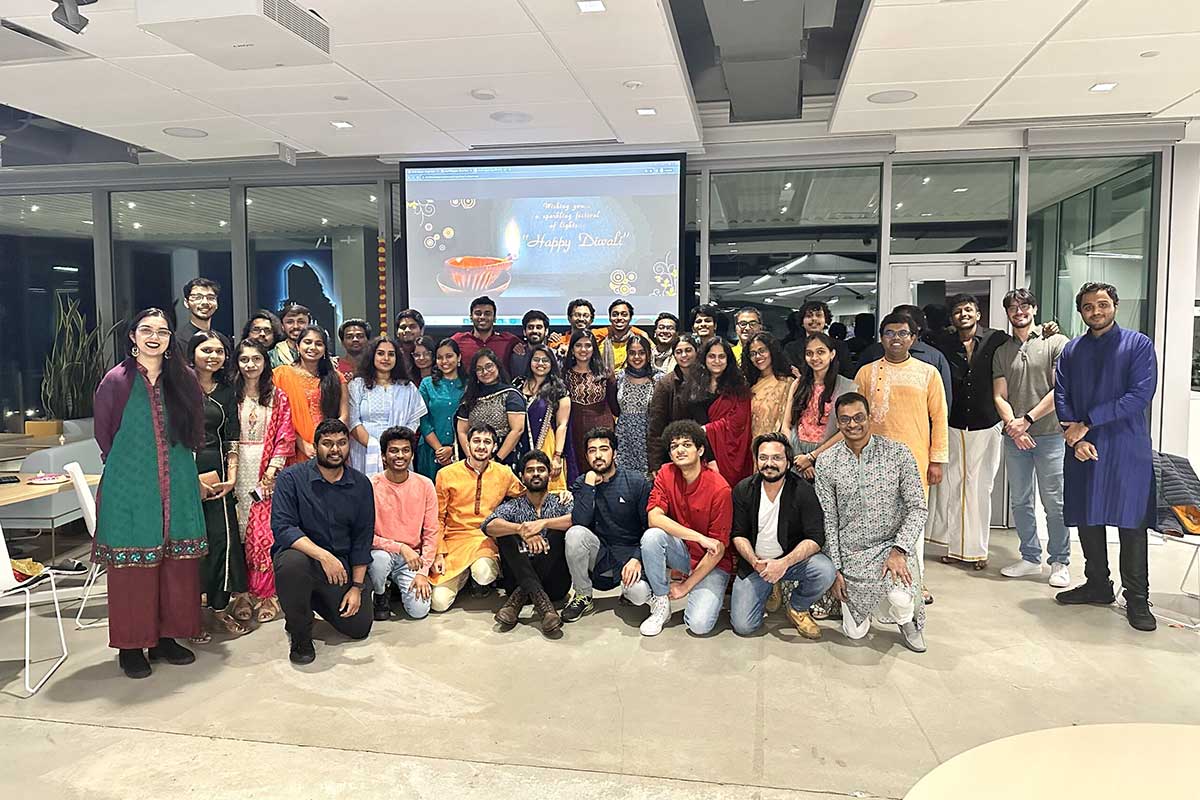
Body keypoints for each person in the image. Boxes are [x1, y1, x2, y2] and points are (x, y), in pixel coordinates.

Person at [93, 308, 207, 679]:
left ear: (171, 338)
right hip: (131, 484)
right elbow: (105, 435)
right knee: (132, 568)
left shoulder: (184, 380)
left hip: (177, 481)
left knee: (176, 564)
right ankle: (130, 646)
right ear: (133, 336)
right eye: (146, 330)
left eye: (162, 331)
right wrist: (133, 470)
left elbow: (194, 429)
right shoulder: (117, 381)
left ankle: (165, 638)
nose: (154, 336)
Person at [1054, 282, 1157, 632]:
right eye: (1087, 306)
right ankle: (1098, 584)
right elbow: (1062, 392)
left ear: (1115, 305)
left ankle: (1138, 598)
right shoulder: (1072, 350)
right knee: (1088, 516)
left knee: (1131, 522)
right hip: (1081, 445)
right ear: (1080, 312)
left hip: (1125, 446)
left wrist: (1088, 423)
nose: (1095, 311)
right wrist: (1073, 434)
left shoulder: (1138, 345)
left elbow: (1139, 395)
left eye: (1102, 304)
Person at [816, 393, 929, 653]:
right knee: (855, 634)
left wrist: (899, 550)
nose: (853, 425)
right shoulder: (827, 462)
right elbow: (829, 520)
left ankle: (906, 620)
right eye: (845, 420)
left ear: (870, 418)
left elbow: (917, 507)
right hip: (852, 552)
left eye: (859, 418)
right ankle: (862, 609)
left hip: (891, 547)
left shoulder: (897, 453)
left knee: (900, 598)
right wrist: (835, 569)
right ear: (838, 422)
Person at [855, 312, 948, 604]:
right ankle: (876, 579)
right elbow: (855, 419)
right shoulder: (866, 373)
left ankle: (916, 582)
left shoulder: (927, 373)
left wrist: (937, 460)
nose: (896, 339)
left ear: (913, 338)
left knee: (913, 522)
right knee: (873, 521)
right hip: (872, 460)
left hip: (915, 460)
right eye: (889, 333)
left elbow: (939, 417)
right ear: (881, 337)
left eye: (902, 333)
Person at [271, 419, 375, 664]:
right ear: (315, 446)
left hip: (341, 568)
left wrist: (357, 587)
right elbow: (283, 527)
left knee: (359, 628)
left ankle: (307, 601)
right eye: (327, 444)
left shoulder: (361, 485)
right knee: (291, 563)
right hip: (305, 562)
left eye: (341, 443)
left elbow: (363, 538)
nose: (335, 449)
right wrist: (323, 556)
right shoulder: (291, 479)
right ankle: (300, 632)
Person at [993, 289, 1071, 587]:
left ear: (1034, 309)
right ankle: (1029, 557)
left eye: (1024, 306)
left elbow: (1059, 390)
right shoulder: (1002, 350)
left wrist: (1027, 420)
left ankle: (1059, 561)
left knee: (1055, 502)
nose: (1019, 311)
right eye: (1012, 307)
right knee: (1021, 501)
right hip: (1016, 437)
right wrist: (1013, 425)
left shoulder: (1055, 342)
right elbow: (999, 394)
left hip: (1050, 435)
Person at [928, 294, 1009, 569]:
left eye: (968, 309)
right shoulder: (943, 343)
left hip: (986, 422)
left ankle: (977, 551)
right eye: (958, 311)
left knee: (980, 487)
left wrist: (1046, 330)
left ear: (978, 314)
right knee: (952, 487)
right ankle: (954, 548)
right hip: (953, 422)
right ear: (952, 318)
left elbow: (1024, 342)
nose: (963, 314)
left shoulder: (996, 339)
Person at [730, 433, 835, 638]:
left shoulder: (803, 491)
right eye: (763, 458)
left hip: (790, 561)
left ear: (788, 462)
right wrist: (754, 561)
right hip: (756, 565)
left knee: (825, 570)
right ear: (756, 460)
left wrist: (783, 563)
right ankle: (770, 585)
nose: (769, 463)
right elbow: (738, 534)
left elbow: (815, 538)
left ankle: (797, 607)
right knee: (744, 627)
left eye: (776, 458)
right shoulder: (743, 490)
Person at [638, 420, 733, 636]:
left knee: (699, 626)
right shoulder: (665, 473)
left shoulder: (720, 489)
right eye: (674, 446)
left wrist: (685, 586)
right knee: (652, 536)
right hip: (684, 552)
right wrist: (699, 537)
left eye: (686, 444)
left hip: (712, 562)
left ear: (700, 450)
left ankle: (699, 589)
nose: (679, 449)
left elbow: (717, 549)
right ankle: (661, 603)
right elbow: (654, 518)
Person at [187, 331, 249, 638]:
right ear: (192, 352)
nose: (213, 356)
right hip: (185, 470)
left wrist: (233, 476)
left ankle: (219, 610)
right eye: (206, 349)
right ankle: (189, 615)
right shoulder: (180, 388)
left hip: (220, 473)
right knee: (190, 542)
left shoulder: (226, 391)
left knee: (222, 540)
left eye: (220, 351)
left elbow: (231, 436)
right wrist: (188, 476)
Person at [232, 338, 295, 625]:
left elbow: (285, 435)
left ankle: (268, 594)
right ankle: (240, 593)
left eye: (256, 359)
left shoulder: (277, 396)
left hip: (267, 469)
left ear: (264, 362)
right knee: (238, 531)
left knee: (265, 533)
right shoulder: (229, 394)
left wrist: (272, 471)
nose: (250, 365)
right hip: (234, 467)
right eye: (244, 359)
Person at [562, 427, 654, 621]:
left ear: (614, 453)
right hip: (602, 555)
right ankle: (583, 595)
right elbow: (580, 521)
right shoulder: (582, 483)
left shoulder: (636, 482)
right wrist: (588, 485)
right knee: (575, 533)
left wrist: (637, 558)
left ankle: (628, 591)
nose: (598, 455)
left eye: (603, 449)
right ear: (586, 456)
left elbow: (650, 528)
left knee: (638, 595)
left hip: (630, 556)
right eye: (592, 450)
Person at [430, 423, 524, 610]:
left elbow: (527, 494)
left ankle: (476, 576)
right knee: (438, 603)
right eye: (477, 441)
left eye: (487, 442)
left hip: (484, 539)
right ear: (468, 444)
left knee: (483, 573)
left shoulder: (503, 473)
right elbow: (437, 517)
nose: (481, 446)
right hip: (454, 541)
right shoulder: (446, 474)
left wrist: (558, 493)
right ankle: (463, 576)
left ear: (494, 447)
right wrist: (438, 553)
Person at [483, 451, 574, 635]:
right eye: (530, 470)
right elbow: (488, 525)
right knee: (506, 533)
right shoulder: (514, 506)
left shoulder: (561, 502)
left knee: (560, 530)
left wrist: (545, 523)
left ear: (549, 474)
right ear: (522, 476)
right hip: (516, 579)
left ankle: (518, 599)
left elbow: (578, 520)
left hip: (556, 585)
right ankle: (545, 608)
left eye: (541, 469)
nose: (535, 474)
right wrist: (520, 530)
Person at [368, 426, 438, 622]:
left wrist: (423, 572)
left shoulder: (425, 485)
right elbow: (365, 536)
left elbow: (431, 532)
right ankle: (381, 593)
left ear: (412, 454)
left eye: (405, 450)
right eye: (393, 450)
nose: (400, 455)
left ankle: (398, 585)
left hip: (413, 559)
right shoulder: (370, 486)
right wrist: (400, 547)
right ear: (383, 456)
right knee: (379, 562)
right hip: (382, 552)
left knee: (419, 611)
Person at [347, 335, 426, 476]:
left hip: (399, 453)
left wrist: (396, 446)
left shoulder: (407, 387)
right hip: (364, 450)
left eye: (391, 354)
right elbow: (353, 420)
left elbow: (414, 421)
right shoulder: (357, 385)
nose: (386, 358)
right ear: (372, 356)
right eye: (380, 353)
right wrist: (376, 447)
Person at [783, 332, 856, 479]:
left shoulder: (847, 387)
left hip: (830, 454)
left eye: (820, 352)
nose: (815, 358)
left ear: (832, 354)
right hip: (797, 454)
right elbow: (786, 424)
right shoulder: (798, 384)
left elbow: (847, 430)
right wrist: (798, 457)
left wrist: (811, 457)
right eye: (809, 353)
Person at [274, 324, 349, 464]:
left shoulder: (336, 378)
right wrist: (302, 444)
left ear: (325, 349)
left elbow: (344, 417)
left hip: (329, 450)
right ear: (297, 346)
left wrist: (327, 444)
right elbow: (279, 419)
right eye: (307, 342)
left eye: (319, 344)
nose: (313, 348)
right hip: (292, 448)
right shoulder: (281, 375)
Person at [684, 337, 752, 489]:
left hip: (733, 455)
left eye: (722, 356)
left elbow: (738, 423)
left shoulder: (738, 387)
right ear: (704, 358)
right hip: (702, 454)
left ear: (728, 359)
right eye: (712, 356)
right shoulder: (694, 385)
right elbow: (694, 425)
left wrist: (707, 429)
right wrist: (710, 457)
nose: (717, 361)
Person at [858, 305, 952, 407]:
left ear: (918, 326)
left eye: (904, 321)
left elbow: (943, 402)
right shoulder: (873, 353)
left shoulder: (934, 357)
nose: (898, 324)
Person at [563, 329, 620, 483]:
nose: (583, 349)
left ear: (594, 348)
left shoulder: (605, 374)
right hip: (575, 429)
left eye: (588, 345)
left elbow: (615, 406)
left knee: (604, 468)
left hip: (603, 425)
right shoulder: (564, 375)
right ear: (572, 349)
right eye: (578, 345)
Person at [455, 348, 526, 467]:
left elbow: (517, 430)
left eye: (489, 366)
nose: (485, 372)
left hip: (505, 458)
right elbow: (462, 431)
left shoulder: (510, 394)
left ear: (497, 366)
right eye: (479, 369)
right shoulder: (470, 397)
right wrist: (472, 460)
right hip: (475, 457)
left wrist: (496, 461)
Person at [518, 343, 570, 492]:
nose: (540, 363)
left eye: (545, 360)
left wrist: (557, 456)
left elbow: (562, 425)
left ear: (552, 363)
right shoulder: (518, 384)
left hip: (546, 445)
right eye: (536, 359)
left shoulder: (558, 390)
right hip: (519, 446)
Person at [647, 333, 700, 473]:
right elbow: (656, 427)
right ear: (674, 355)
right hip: (675, 452)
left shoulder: (707, 380)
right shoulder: (665, 384)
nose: (684, 355)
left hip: (703, 451)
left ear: (697, 351)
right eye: (679, 351)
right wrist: (655, 465)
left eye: (688, 350)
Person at [417, 338, 465, 480]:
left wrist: (452, 449)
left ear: (459, 357)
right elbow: (423, 420)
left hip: (460, 450)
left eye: (449, 356)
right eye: (439, 358)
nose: (444, 361)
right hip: (430, 450)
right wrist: (439, 449)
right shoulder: (427, 384)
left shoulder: (468, 385)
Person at [614, 334, 661, 474]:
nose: (637, 357)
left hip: (647, 439)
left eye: (641, 353)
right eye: (632, 353)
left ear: (648, 355)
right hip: (623, 438)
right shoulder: (620, 377)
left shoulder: (658, 378)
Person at [783, 301, 854, 378]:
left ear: (826, 320)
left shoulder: (840, 346)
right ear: (802, 322)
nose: (814, 319)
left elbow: (848, 374)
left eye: (818, 315)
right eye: (809, 316)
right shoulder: (791, 348)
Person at [745, 332, 794, 440]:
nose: (758, 356)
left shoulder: (787, 383)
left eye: (762, 351)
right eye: (753, 354)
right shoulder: (749, 384)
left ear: (772, 351)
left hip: (775, 446)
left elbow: (787, 423)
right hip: (749, 446)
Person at [451, 295, 520, 371]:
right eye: (478, 313)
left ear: (494, 318)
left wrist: (518, 346)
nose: (482, 317)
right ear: (471, 317)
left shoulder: (509, 340)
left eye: (487, 314)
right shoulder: (458, 340)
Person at [595, 299, 649, 372]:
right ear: (609, 318)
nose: (619, 318)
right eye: (615, 315)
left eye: (624, 315)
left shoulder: (639, 339)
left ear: (630, 318)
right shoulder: (600, 340)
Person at [510, 308, 551, 379]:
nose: (534, 331)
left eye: (539, 327)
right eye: (530, 327)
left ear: (546, 331)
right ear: (524, 332)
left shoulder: (554, 355)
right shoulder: (516, 357)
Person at [270, 303, 311, 368]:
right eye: (290, 322)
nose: (295, 326)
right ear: (282, 326)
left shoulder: (317, 353)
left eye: (301, 322)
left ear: (309, 325)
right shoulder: (272, 356)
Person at [729, 307, 762, 372]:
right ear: (736, 327)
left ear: (760, 327)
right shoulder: (729, 353)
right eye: (743, 324)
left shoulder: (767, 354)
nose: (747, 328)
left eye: (752, 324)